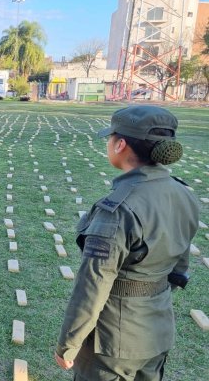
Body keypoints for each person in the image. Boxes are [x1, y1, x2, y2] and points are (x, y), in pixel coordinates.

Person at [54, 105, 200, 380]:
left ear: (120, 144)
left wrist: (68, 345)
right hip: (157, 328)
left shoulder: (118, 209)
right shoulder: (184, 193)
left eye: (110, 138)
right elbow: (179, 268)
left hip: (113, 342)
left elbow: (93, 284)